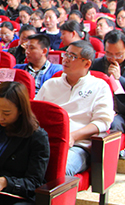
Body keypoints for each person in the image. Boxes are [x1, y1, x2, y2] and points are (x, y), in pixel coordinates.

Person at [37, 40, 114, 175]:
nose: (65, 59)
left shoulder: (100, 86)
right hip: (45, 142)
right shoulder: (50, 84)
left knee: (59, 170)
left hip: (78, 146)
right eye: (66, 54)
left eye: (72, 56)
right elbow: (35, 113)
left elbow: (102, 122)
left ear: (87, 64)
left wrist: (73, 136)